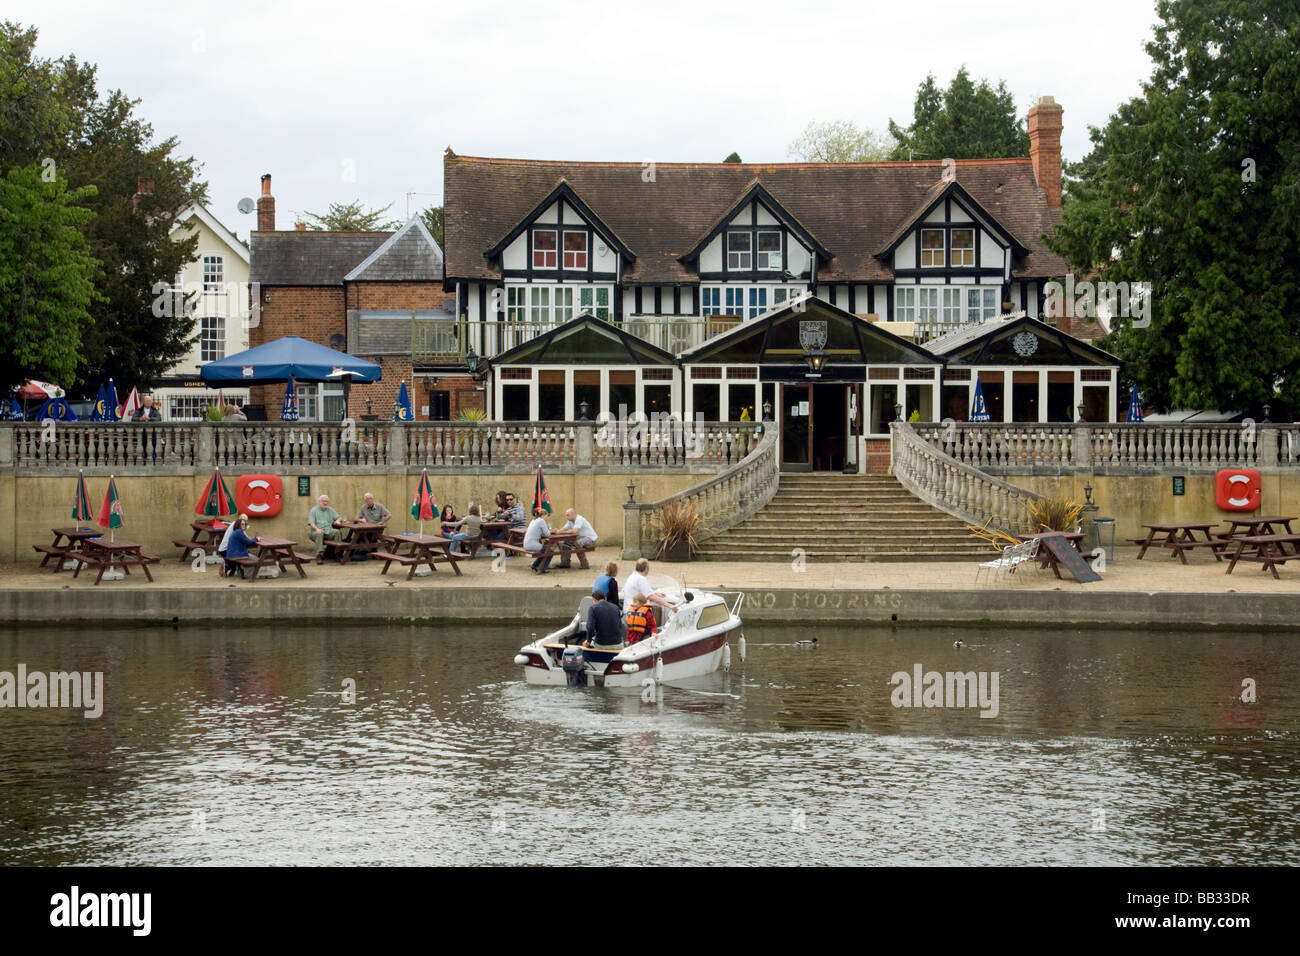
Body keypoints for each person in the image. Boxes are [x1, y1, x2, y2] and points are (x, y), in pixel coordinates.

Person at [308, 494, 342, 563]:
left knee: (337, 532)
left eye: (326, 501)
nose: (325, 503)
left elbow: (339, 517)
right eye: (323, 501)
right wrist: (317, 529)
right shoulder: (313, 510)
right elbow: (311, 523)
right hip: (315, 532)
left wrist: (337, 521)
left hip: (328, 531)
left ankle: (337, 554)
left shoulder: (330, 509)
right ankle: (319, 555)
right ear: (319, 502)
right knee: (319, 533)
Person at [223, 514, 259, 578]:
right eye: (242, 524)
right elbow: (248, 542)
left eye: (245, 524)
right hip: (237, 555)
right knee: (257, 559)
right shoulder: (239, 532)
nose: (244, 525)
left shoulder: (236, 532)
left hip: (231, 555)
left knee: (251, 556)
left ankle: (242, 569)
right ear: (238, 524)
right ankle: (247, 573)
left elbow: (246, 540)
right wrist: (256, 539)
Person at [523, 508, 553, 573]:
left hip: (526, 544)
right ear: (544, 515)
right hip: (532, 545)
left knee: (544, 550)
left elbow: (540, 531)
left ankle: (535, 565)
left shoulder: (533, 520)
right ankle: (542, 569)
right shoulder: (541, 521)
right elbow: (547, 534)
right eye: (546, 516)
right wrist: (552, 530)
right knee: (549, 551)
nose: (546, 518)